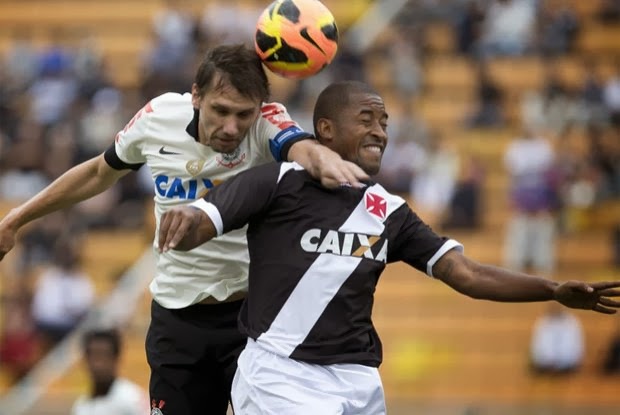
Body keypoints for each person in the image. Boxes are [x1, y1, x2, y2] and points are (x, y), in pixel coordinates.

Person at [157, 80, 620, 414]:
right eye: (367, 119)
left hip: (359, 380)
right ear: (326, 129)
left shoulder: (390, 210)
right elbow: (204, 219)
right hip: (280, 374)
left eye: (384, 121)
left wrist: (552, 289)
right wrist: (186, 220)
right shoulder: (278, 182)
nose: (381, 131)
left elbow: (467, 274)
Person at [0, 44, 368, 415]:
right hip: (177, 320)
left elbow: (301, 147)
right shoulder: (158, 118)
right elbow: (98, 172)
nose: (231, 127)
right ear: (195, 96)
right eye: (220, 111)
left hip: (254, 323)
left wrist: (323, 160)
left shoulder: (266, 122)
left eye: (243, 115)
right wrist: (16, 219)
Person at [71, 328, 148, 415]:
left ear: (116, 358)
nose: (98, 364)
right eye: (93, 355)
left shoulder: (132, 398)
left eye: (103, 355)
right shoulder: (81, 406)